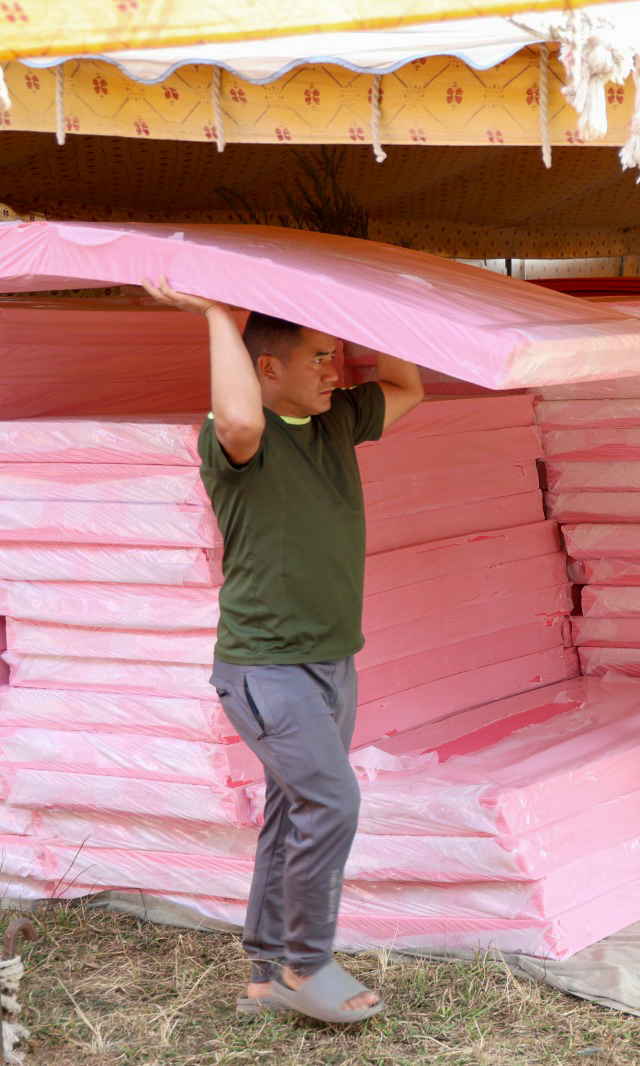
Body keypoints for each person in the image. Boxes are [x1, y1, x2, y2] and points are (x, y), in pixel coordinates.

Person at [143, 278, 424, 1023]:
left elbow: (406, 385)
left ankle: (266, 977)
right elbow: (237, 412)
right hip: (265, 668)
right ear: (268, 368)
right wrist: (213, 313)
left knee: (293, 806)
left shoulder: (336, 421)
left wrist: (372, 304)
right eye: (321, 357)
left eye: (337, 354)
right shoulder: (239, 439)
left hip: (333, 660)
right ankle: (307, 964)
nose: (339, 370)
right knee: (331, 800)